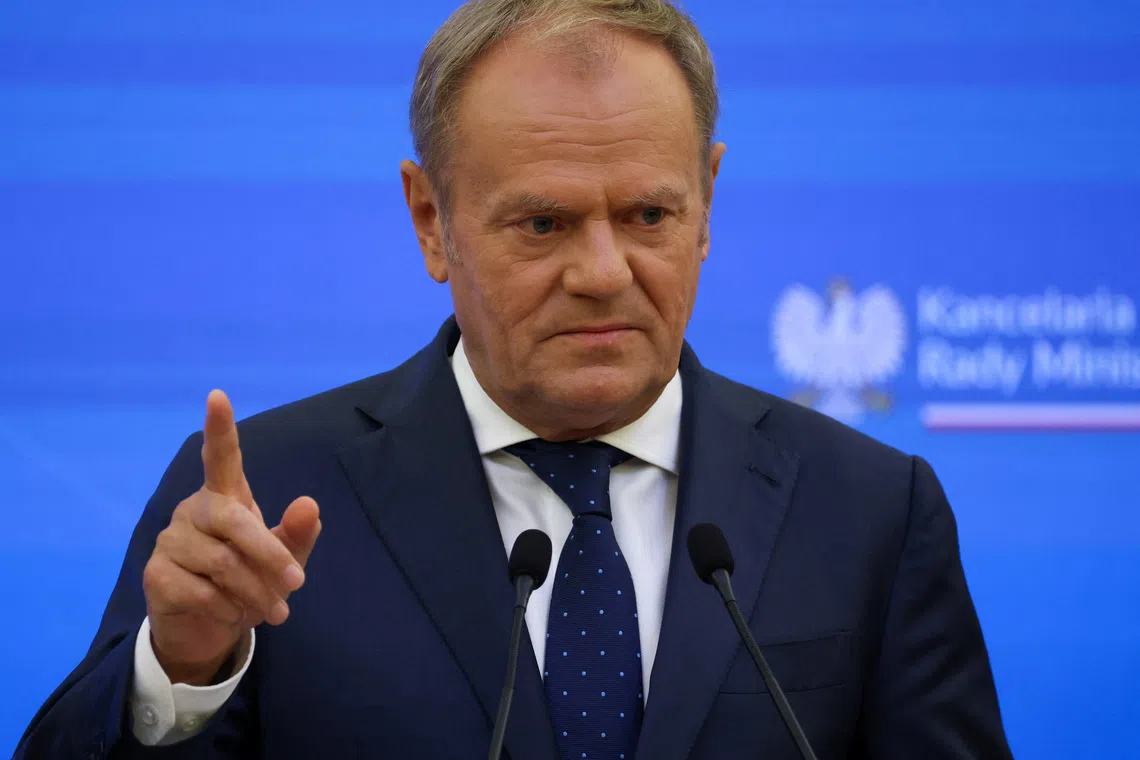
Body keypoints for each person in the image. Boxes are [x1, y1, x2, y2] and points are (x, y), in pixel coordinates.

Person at [15, 1, 1014, 758]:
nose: (602, 271)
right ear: (429, 220)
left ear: (708, 202)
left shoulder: (872, 509)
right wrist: (183, 665)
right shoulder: (261, 495)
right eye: (543, 223)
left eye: (649, 217)